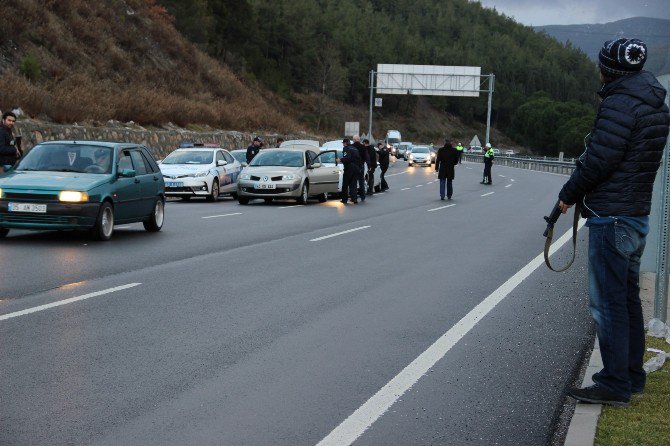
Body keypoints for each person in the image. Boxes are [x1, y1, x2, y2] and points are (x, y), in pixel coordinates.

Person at [559, 38, 669, 407]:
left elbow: (599, 161)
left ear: (608, 68)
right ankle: (631, 378)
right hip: (636, 214)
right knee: (626, 301)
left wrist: (568, 194)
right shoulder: (654, 102)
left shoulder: (619, 104)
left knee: (607, 305)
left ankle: (614, 384)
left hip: (612, 217)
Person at [337, 138, 361, 204]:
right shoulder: (355, 149)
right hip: (356, 168)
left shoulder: (346, 148)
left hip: (349, 168)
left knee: (345, 184)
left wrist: (340, 160)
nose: (343, 145)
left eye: (343, 143)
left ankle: (344, 199)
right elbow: (359, 159)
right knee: (353, 184)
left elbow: (347, 158)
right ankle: (354, 199)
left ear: (345, 143)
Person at [352, 135, 369, 201]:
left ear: (353, 140)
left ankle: (354, 197)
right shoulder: (363, 147)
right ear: (359, 140)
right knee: (361, 182)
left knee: (354, 182)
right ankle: (362, 196)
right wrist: (368, 164)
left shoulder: (351, 147)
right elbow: (367, 156)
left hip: (353, 166)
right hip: (361, 166)